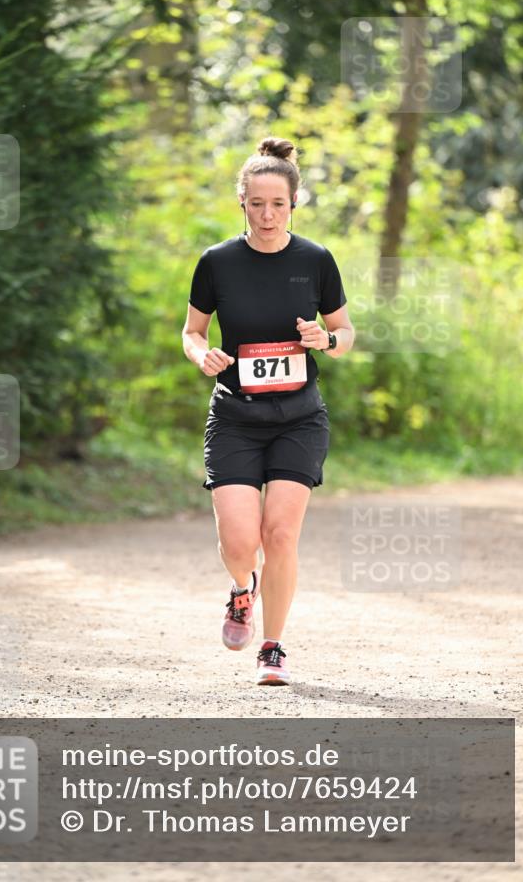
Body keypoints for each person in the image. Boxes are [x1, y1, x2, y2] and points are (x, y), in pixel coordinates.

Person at [182, 136, 354, 686]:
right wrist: (201, 355)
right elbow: (192, 331)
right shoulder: (217, 263)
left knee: (280, 533)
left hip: (299, 418)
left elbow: (345, 332)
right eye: (256, 203)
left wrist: (323, 340)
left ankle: (273, 648)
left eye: (277, 204)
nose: (267, 214)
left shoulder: (316, 260)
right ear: (242, 203)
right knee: (239, 543)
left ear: (293, 204)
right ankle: (241, 591)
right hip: (235, 416)